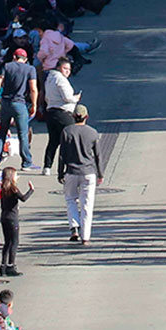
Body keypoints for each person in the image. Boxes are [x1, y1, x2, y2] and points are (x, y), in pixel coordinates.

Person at [57, 105, 103, 245]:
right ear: (86, 117)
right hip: (88, 172)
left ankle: (74, 228)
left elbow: (62, 154)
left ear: (73, 116)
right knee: (87, 204)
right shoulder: (92, 133)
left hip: (71, 171)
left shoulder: (67, 131)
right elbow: (98, 155)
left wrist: (60, 172)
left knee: (70, 199)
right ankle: (86, 237)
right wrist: (100, 173)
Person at [0, 48, 37, 170]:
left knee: (2, 132)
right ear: (26, 59)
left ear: (14, 56)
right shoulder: (30, 69)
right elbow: (33, 89)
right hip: (19, 103)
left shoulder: (7, 66)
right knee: (22, 134)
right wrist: (34, 105)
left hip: (6, 103)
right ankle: (26, 162)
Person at [41, 57, 79, 173]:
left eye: (69, 69)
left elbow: (47, 96)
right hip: (63, 113)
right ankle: (66, 167)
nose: (67, 71)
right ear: (59, 67)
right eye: (65, 68)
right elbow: (67, 97)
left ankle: (47, 167)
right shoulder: (61, 80)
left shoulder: (50, 78)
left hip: (51, 112)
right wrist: (75, 98)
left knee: (53, 140)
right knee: (69, 140)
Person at [0, 165, 33, 277]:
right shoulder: (13, 189)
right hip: (13, 217)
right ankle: (11, 265)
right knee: (14, 242)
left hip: (4, 216)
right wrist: (31, 190)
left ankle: (3, 265)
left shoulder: (2, 188)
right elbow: (23, 198)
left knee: (7, 242)